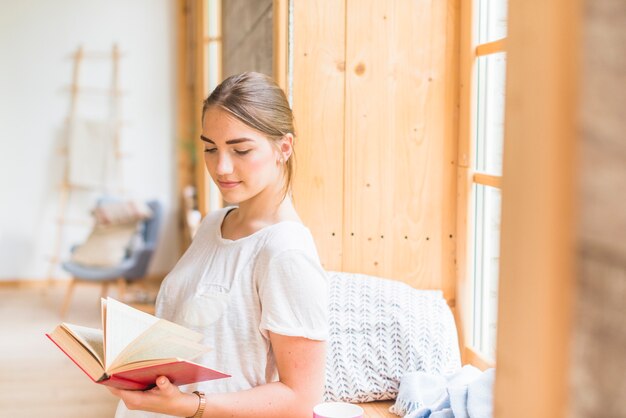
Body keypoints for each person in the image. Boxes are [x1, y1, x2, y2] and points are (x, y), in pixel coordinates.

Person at [109, 72, 329, 418]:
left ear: (283, 148)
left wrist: (189, 405)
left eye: (240, 150)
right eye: (210, 148)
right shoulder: (214, 223)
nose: (221, 167)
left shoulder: (285, 252)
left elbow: (301, 399)